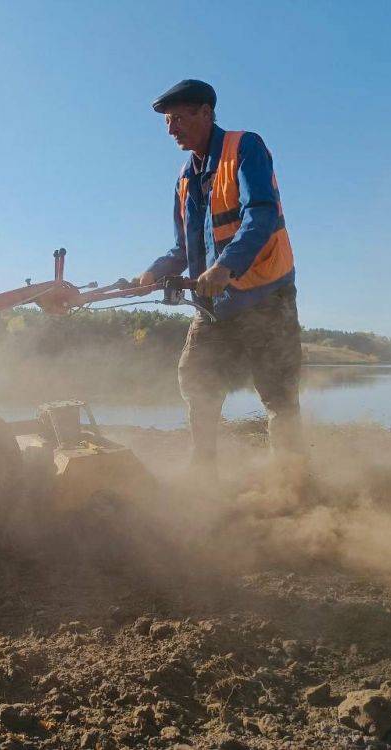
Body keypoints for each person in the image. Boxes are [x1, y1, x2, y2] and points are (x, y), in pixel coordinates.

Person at [136, 79, 303, 479]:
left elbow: (261, 214)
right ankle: (204, 467)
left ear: (206, 113)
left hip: (265, 294)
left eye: (178, 118)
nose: (171, 128)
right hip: (213, 304)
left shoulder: (245, 148)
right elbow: (184, 250)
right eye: (167, 122)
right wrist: (155, 272)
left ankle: (291, 478)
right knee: (196, 378)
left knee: (278, 393)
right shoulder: (184, 180)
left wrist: (226, 267)